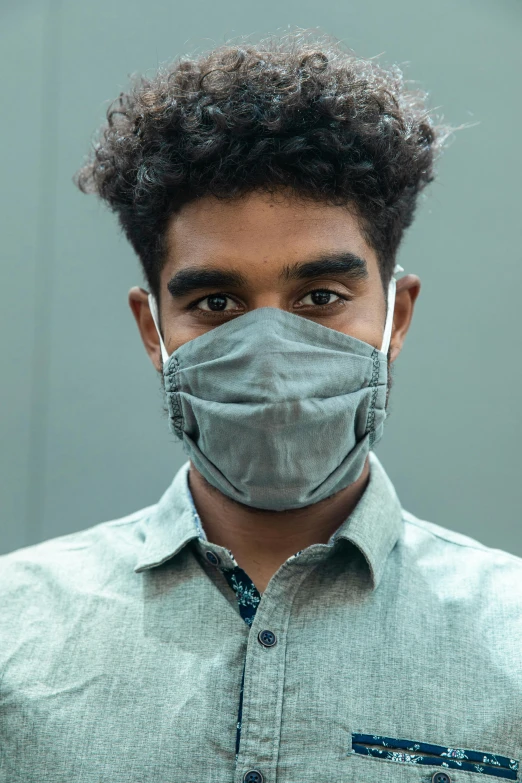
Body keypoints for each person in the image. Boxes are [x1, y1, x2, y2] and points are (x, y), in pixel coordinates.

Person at [1, 29, 520, 783]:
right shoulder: (15, 629)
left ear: (396, 316)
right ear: (155, 329)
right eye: (216, 301)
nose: (271, 350)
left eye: (320, 297)